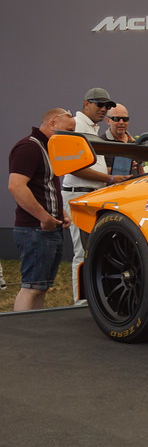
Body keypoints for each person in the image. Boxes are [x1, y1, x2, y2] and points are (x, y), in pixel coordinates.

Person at [64, 87, 129, 302]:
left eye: (107, 106)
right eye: (99, 104)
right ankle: (80, 302)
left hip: (92, 194)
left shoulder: (91, 128)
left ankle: (91, 300)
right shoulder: (76, 124)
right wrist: (110, 179)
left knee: (93, 250)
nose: (104, 109)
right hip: (79, 194)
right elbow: (73, 166)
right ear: (86, 104)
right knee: (81, 252)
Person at [8, 108, 76, 310]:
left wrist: (59, 213)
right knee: (31, 287)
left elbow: (47, 186)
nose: (70, 136)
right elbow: (16, 186)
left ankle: (34, 331)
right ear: (53, 123)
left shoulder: (48, 148)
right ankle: (23, 335)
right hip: (34, 229)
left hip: (48, 228)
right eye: (68, 130)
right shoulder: (29, 147)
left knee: (41, 287)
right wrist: (44, 217)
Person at [103, 104, 137, 176]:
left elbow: (140, 171)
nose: (121, 122)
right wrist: (124, 169)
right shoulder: (100, 143)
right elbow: (96, 172)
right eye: (116, 119)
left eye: (125, 119)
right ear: (108, 121)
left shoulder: (135, 143)